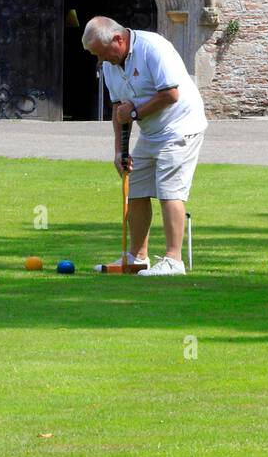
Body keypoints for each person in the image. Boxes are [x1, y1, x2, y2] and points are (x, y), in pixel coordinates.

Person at [82, 16, 207, 277]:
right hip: (152, 131)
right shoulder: (109, 64)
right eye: (97, 55)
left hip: (181, 125)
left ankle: (174, 261)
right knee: (136, 187)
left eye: (103, 53)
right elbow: (119, 109)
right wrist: (120, 151)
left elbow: (171, 94)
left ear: (118, 39)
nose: (101, 61)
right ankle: (138, 258)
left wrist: (136, 113)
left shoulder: (153, 47)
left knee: (168, 190)